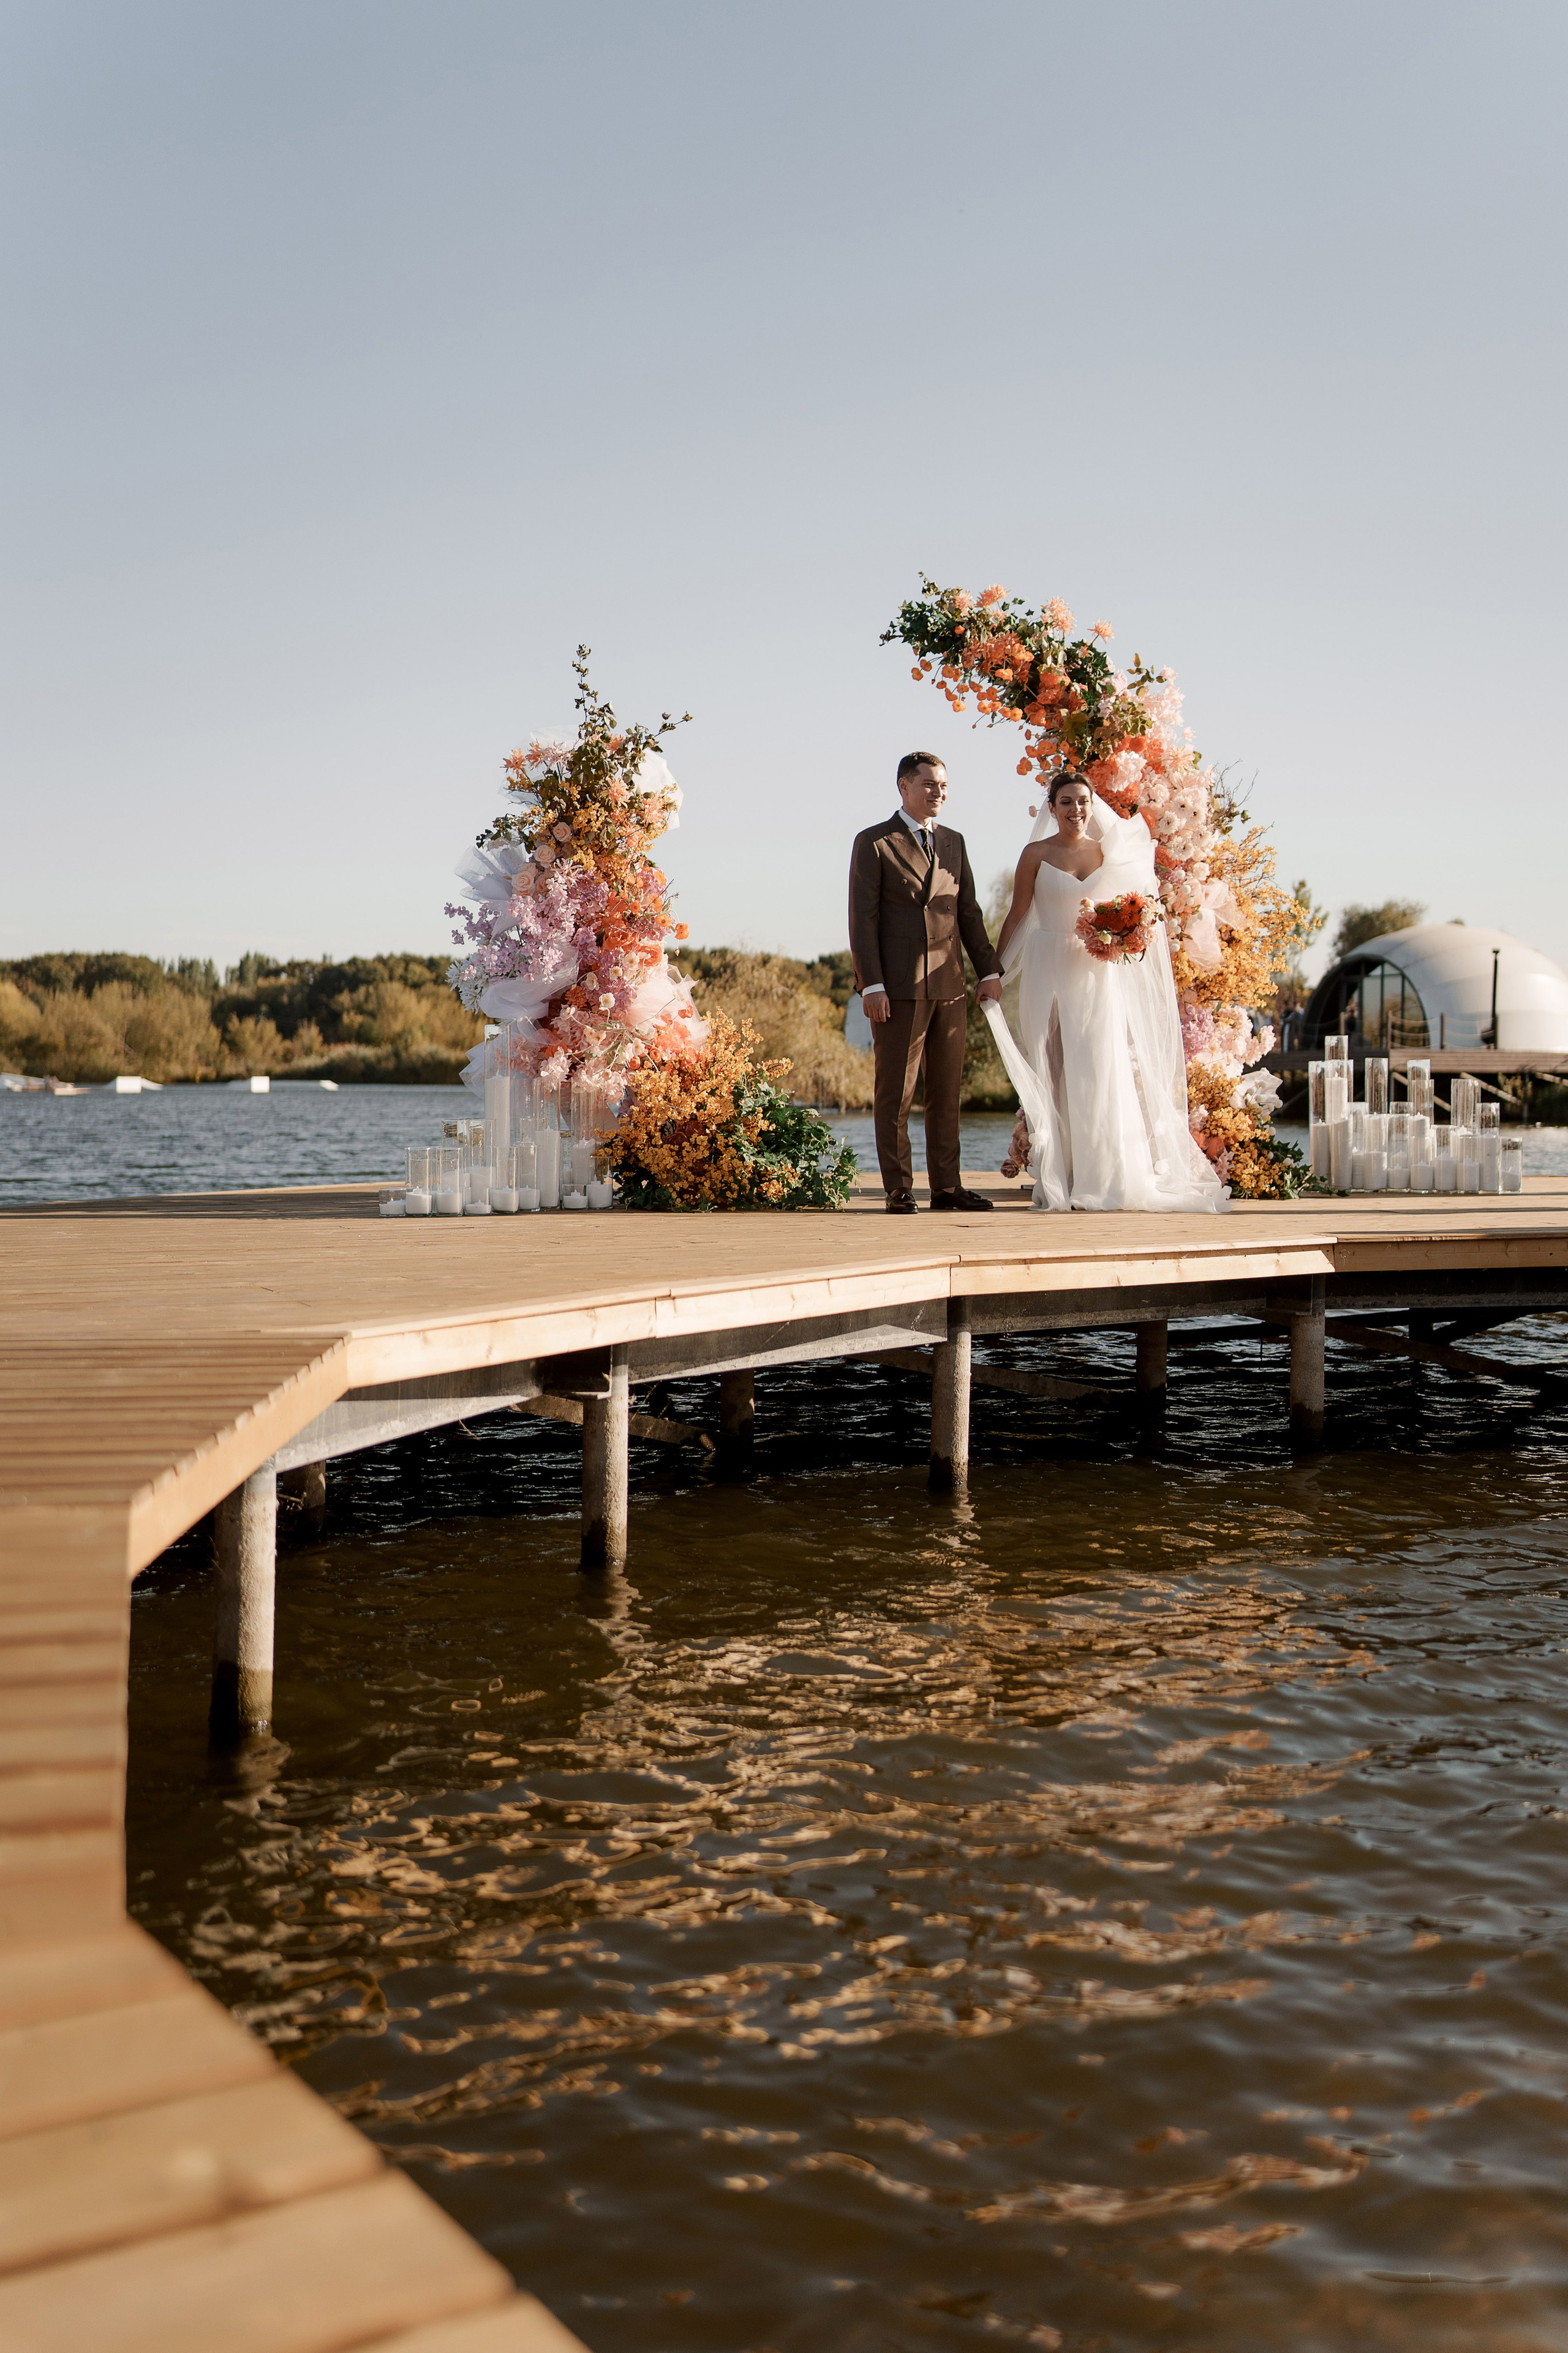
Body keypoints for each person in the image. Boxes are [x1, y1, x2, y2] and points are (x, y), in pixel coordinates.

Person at [984, 772, 1227, 1214]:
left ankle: (1103, 1176)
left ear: (1092, 805)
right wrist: (993, 970)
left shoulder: (1109, 854)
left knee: (1098, 1069)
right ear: (1052, 807)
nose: (1076, 810)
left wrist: (1124, 935)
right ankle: (1060, 1175)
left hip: (1095, 972)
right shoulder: (1035, 854)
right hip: (1045, 964)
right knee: (1050, 1065)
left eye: (1082, 801)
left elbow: (1139, 912)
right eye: (1066, 802)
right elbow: (1018, 914)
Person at [849, 752, 1003, 1214]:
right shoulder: (875, 842)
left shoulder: (954, 842)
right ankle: (898, 1187)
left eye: (944, 786)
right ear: (904, 786)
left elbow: (969, 912)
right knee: (895, 1093)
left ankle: (947, 1188)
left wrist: (989, 971)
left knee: (946, 1093)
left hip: (950, 984)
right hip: (896, 988)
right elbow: (863, 919)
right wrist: (870, 984)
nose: (939, 792)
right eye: (930, 784)